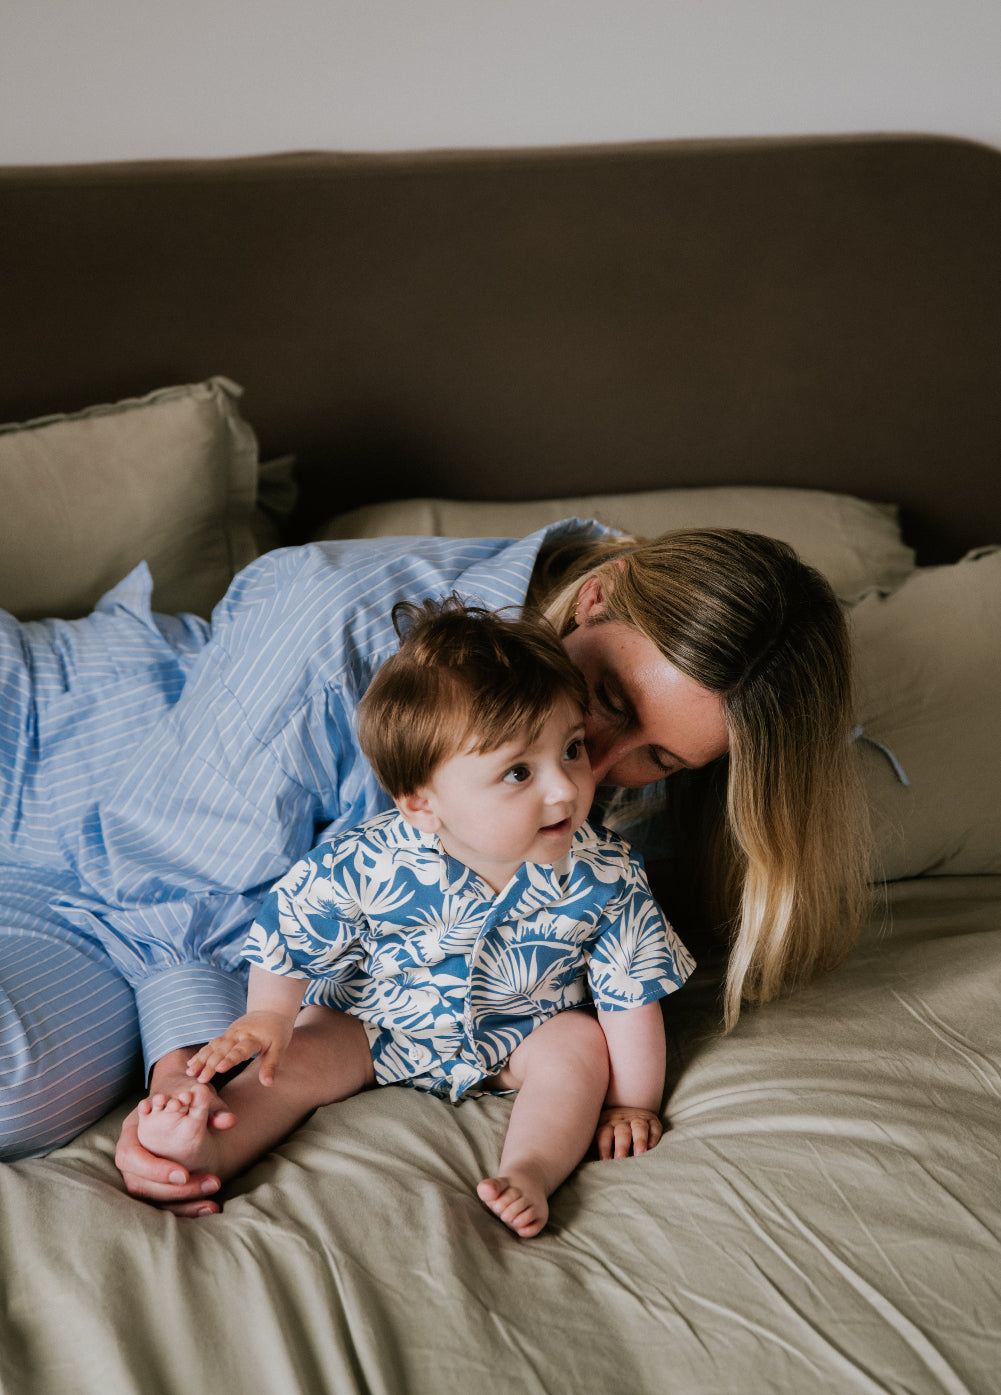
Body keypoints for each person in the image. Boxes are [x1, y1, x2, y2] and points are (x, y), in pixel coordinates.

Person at [0, 521, 868, 1216]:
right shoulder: (333, 619)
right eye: (607, 701)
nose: (591, 771)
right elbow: (169, 879)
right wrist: (193, 1083)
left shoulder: (631, 795)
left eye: (661, 759)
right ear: (592, 599)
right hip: (50, 780)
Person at [137, 598, 692, 1237]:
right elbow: (290, 927)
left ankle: (531, 1169)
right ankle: (208, 1147)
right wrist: (268, 1016)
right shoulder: (369, 861)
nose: (567, 787)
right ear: (423, 803)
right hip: (377, 1024)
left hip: (520, 1034)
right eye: (518, 771)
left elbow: (630, 997)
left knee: (579, 1046)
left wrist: (630, 1104)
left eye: (569, 749)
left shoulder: (607, 872)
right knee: (289, 1060)